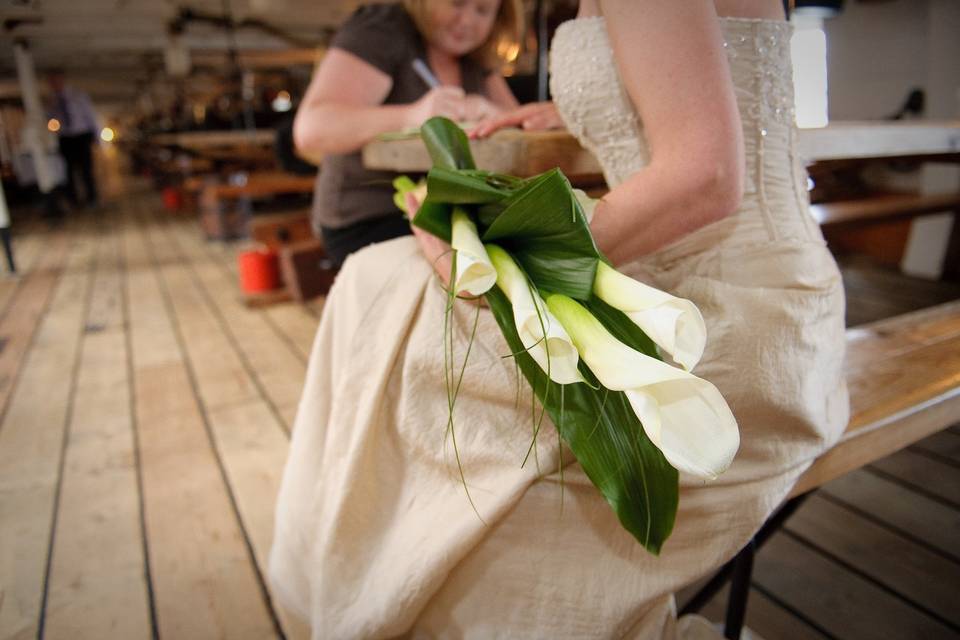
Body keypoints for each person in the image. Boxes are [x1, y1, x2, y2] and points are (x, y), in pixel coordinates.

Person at [269, 0, 849, 637]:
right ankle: (398, 532)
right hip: (739, 272)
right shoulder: (384, 27)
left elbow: (705, 176)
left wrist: (498, 256)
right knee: (384, 284)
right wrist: (577, 113)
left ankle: (401, 551)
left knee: (391, 301)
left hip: (736, 296)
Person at [292, 0, 521, 267]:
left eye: (483, 11)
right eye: (457, 3)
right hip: (371, 218)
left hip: (454, 213)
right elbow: (311, 128)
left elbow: (518, 124)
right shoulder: (383, 28)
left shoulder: (476, 59)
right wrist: (412, 115)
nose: (468, 20)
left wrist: (493, 115)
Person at [47, 70, 100, 209]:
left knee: (86, 169)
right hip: (65, 138)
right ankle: (73, 200)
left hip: (81, 136)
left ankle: (92, 198)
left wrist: (96, 137)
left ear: (63, 80)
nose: (54, 84)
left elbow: (91, 117)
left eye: (56, 81)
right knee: (68, 171)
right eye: (52, 82)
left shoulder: (79, 96)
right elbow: (51, 121)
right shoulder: (52, 101)